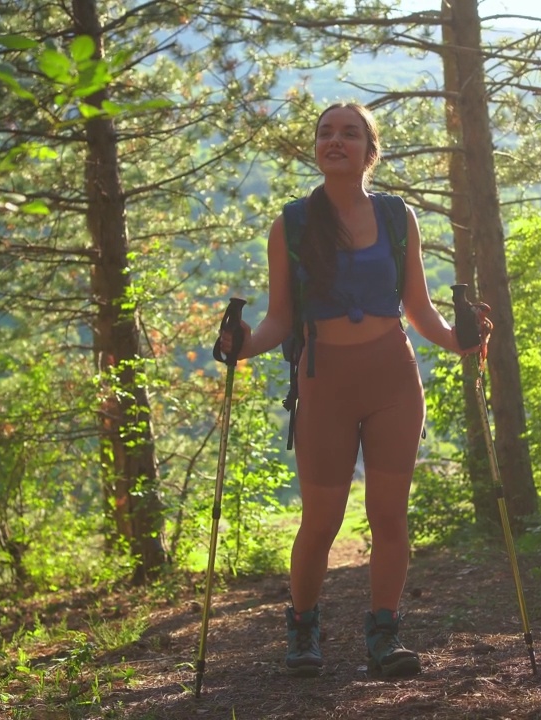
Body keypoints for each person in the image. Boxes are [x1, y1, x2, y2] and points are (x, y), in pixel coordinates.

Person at [217, 102, 482, 678]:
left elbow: (419, 309)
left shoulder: (396, 217)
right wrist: (242, 343)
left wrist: (461, 341)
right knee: (321, 522)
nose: (335, 140)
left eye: (349, 133)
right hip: (324, 384)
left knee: (389, 517)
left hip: (393, 379)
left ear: (369, 149)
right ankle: (304, 627)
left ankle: (384, 635)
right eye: (325, 133)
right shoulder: (290, 223)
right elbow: (280, 320)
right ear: (316, 147)